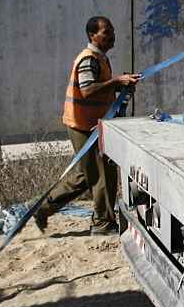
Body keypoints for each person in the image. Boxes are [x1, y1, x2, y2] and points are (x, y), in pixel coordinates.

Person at [34, 17, 140, 236]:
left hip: (90, 123)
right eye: (106, 32)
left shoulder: (99, 59)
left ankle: (42, 208)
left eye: (113, 31)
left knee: (86, 175)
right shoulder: (89, 59)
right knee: (103, 173)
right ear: (93, 35)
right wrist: (116, 82)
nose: (112, 35)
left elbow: (97, 90)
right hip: (84, 126)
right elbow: (88, 90)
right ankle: (102, 224)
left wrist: (118, 88)